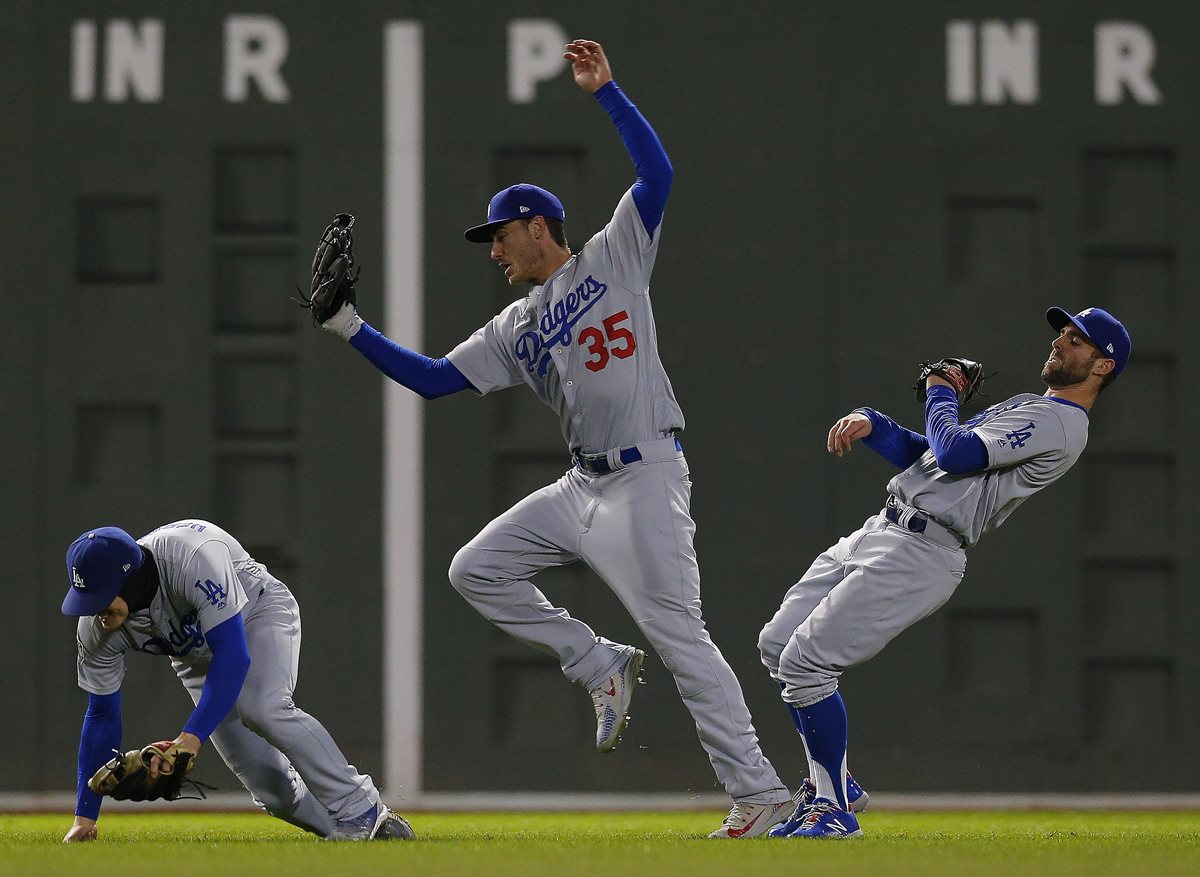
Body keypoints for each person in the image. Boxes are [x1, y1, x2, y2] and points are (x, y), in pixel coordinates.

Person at [315, 38, 792, 837]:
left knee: (680, 635)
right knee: (477, 568)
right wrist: (349, 326)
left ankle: (762, 793)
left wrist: (607, 93)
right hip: (582, 486)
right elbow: (436, 378)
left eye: (500, 235)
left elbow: (658, 178)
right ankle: (597, 661)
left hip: (645, 472)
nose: (493, 249)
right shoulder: (515, 324)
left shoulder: (615, 257)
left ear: (538, 227)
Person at [758, 306, 1131, 838]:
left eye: (1078, 341)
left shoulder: (1062, 423)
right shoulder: (1031, 404)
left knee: (806, 662)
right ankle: (834, 782)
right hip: (882, 528)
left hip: (923, 550)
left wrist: (941, 391)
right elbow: (933, 456)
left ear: (1102, 368)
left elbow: (955, 454)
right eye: (1064, 334)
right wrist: (878, 427)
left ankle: (834, 808)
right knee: (776, 645)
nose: (1061, 343)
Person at [60, 519, 414, 843]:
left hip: (255, 615)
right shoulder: (96, 627)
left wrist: (190, 737)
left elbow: (233, 654)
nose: (92, 610)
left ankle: (361, 811)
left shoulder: (190, 556)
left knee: (263, 707)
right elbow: (102, 715)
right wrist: (84, 818)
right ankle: (364, 835)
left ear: (130, 578)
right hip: (196, 659)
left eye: (99, 596)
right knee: (271, 789)